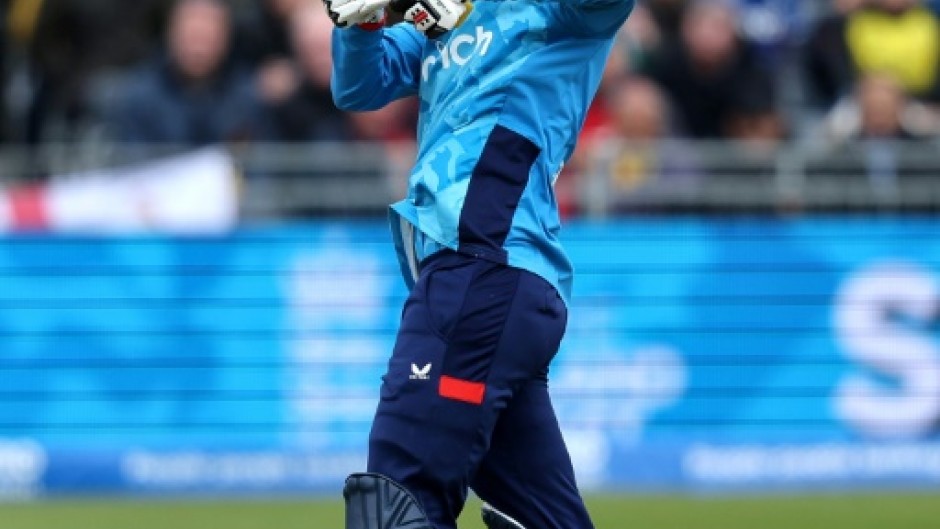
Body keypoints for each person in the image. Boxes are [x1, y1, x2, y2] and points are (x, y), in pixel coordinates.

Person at [325, 0, 635, 527]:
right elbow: (360, 86)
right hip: (494, 282)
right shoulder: (445, 17)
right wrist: (362, 21)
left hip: (483, 264)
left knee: (397, 500)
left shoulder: (557, 11)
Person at [107, 0, 265, 147]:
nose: (199, 49)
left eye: (207, 37)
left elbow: (266, 165)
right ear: (171, 33)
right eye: (192, 36)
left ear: (226, 38)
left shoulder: (249, 97)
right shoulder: (139, 98)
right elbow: (132, 166)